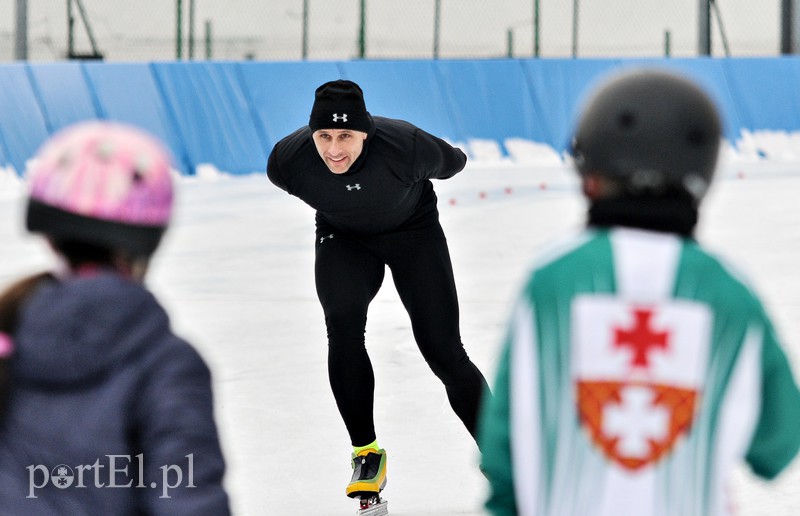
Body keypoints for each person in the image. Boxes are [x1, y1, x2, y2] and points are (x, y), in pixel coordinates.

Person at [479, 68, 800, 516]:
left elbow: (502, 447)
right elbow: (778, 443)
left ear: (590, 173)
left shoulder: (551, 280)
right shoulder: (729, 293)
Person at [266, 79, 490, 501]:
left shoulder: (406, 146)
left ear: (365, 132)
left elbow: (454, 162)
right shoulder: (287, 163)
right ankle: (366, 453)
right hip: (344, 238)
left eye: (346, 136)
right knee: (343, 326)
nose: (334, 149)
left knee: (443, 349)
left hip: (414, 234)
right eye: (324, 136)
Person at [0, 121, 231, 515]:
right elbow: (189, 500)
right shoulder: (167, 364)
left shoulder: (10, 335)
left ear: (48, 233)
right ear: (151, 237)